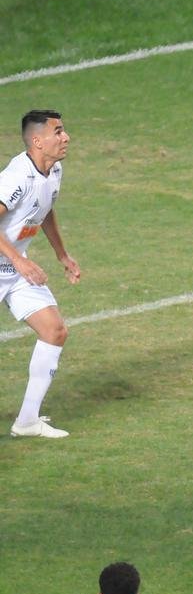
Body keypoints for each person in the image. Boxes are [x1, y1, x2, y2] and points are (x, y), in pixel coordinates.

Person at [2, 110, 80, 439]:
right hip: (12, 262)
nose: (66, 137)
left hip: (13, 267)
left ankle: (27, 421)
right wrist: (18, 261)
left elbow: (44, 209)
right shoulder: (16, 177)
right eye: (58, 132)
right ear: (37, 141)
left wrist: (62, 254)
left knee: (54, 331)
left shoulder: (54, 169)